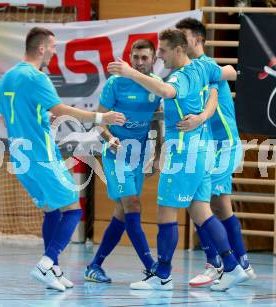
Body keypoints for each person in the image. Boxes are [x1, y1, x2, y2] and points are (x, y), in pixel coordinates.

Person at [107, 29, 248, 291]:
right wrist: (203, 117)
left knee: (166, 213)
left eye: (163, 51)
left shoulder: (181, 76)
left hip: (183, 153)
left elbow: (164, 89)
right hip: (204, 150)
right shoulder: (203, 68)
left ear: (179, 50)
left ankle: (163, 275)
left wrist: (130, 72)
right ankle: (232, 266)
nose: (159, 55)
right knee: (202, 211)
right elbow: (221, 81)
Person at [0, 27, 125, 291]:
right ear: (41, 48)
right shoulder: (37, 77)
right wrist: (102, 118)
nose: (54, 53)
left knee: (52, 210)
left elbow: (10, 114)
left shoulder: (8, 77)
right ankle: (46, 262)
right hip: (42, 155)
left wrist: (42, 119)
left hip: (20, 157)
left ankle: (53, 268)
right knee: (73, 209)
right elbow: (60, 108)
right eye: (53, 47)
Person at [175, 18, 256, 289]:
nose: (178, 42)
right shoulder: (191, 70)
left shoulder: (206, 66)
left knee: (203, 202)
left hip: (224, 144)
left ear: (197, 40)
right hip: (208, 144)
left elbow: (233, 71)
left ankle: (217, 264)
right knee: (218, 204)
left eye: (182, 37)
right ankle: (240, 261)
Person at [84, 39, 162, 283]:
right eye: (135, 58)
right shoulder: (115, 84)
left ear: (153, 60)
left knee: (122, 212)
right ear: (129, 57)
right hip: (115, 153)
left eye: (144, 58)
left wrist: (158, 155)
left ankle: (94, 265)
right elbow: (99, 122)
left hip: (138, 155)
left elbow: (157, 122)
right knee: (133, 205)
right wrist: (109, 139)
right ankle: (152, 266)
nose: (139, 63)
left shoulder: (157, 87)